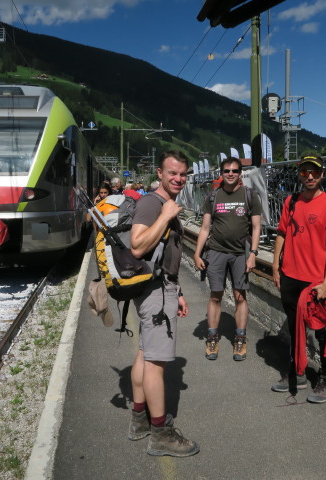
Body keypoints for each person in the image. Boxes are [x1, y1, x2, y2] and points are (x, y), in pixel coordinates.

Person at [128, 150, 199, 457]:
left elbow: (166, 256)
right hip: (155, 293)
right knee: (156, 365)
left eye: (183, 174)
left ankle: (139, 421)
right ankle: (160, 434)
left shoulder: (160, 204)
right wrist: (167, 216)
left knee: (145, 355)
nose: (178, 179)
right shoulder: (150, 204)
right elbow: (138, 246)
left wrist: (179, 291)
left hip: (161, 287)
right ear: (159, 173)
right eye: (172, 173)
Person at [270, 153, 326, 403]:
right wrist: (275, 266)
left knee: (323, 332)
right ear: (299, 174)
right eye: (304, 171)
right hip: (290, 276)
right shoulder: (290, 202)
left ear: (322, 174)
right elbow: (281, 234)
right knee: (294, 328)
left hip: (315, 282)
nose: (309, 176)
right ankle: (298, 373)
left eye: (314, 172)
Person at [193, 157, 262, 361]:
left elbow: (257, 227)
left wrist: (253, 254)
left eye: (234, 170)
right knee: (215, 295)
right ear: (220, 173)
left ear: (240, 173)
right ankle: (212, 337)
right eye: (226, 170)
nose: (230, 174)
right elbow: (205, 228)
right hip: (216, 252)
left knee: (240, 296)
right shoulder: (213, 197)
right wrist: (197, 253)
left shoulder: (250, 195)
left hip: (241, 253)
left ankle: (240, 339)